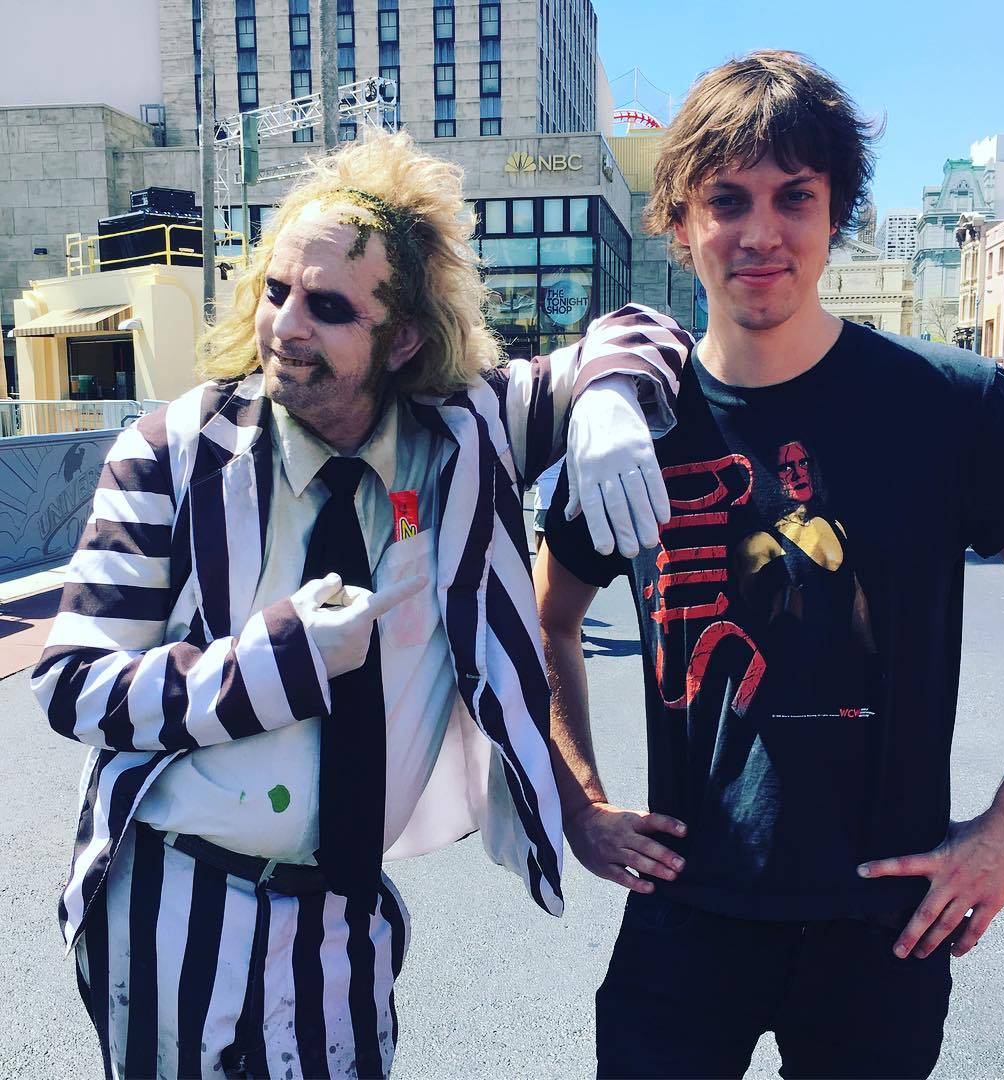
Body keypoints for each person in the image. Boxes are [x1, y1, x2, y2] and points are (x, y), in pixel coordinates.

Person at [32, 131, 691, 1078]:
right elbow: (72, 684)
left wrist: (611, 399)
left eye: (330, 307)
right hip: (176, 907)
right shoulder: (171, 454)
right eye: (276, 291)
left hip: (344, 918)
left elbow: (643, 330)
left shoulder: (466, 434)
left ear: (404, 337)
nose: (286, 327)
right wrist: (276, 661)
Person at [535, 50, 1004, 1080]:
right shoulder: (631, 430)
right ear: (681, 220)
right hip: (687, 914)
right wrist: (578, 800)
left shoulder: (952, 405)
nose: (761, 233)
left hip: (883, 923)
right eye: (726, 200)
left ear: (837, 215)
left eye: (795, 196)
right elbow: (544, 618)